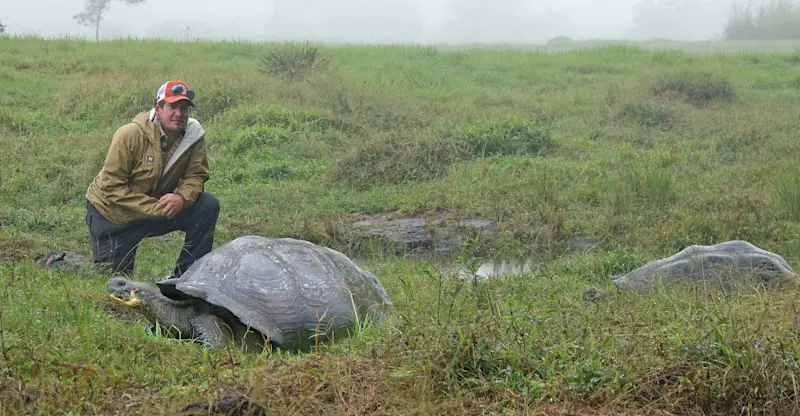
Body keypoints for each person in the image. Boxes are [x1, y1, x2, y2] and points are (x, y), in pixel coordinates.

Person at [84, 80, 219, 279]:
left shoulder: (193, 135)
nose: (179, 114)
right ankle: (57, 262)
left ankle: (187, 280)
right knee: (114, 283)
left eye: (184, 108)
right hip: (113, 216)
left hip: (152, 210)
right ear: (158, 107)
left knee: (207, 205)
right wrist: (158, 208)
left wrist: (181, 198)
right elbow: (111, 188)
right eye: (172, 107)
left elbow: (196, 175)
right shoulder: (130, 134)